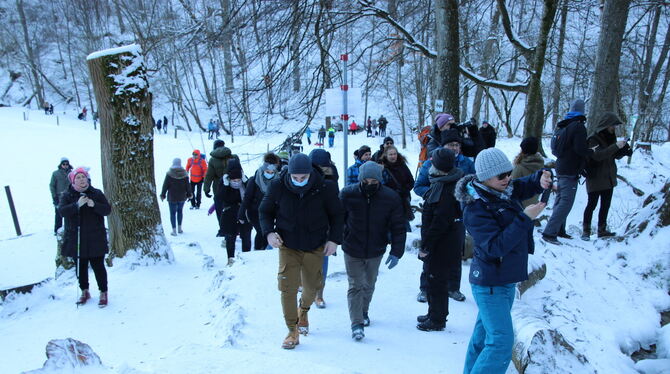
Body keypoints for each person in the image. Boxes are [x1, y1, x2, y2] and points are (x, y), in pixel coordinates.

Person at [455, 148, 551, 374]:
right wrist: (525, 218)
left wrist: (541, 177)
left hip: (505, 279)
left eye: (508, 172)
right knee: (500, 343)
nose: (507, 178)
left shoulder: (501, 190)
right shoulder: (476, 207)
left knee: (483, 338)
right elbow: (494, 247)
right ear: (484, 177)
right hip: (490, 284)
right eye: (501, 175)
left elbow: (523, 184)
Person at [259, 153, 344, 349]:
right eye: (295, 178)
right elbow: (265, 211)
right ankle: (292, 330)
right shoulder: (278, 186)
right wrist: (269, 233)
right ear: (289, 174)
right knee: (287, 288)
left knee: (312, 287)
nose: (299, 181)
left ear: (309, 174)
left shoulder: (325, 187)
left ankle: (303, 311)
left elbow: (337, 215)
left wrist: (334, 240)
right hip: (287, 244)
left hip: (315, 244)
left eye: (302, 178)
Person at [340, 162, 406, 340]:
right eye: (366, 180)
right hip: (352, 247)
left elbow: (398, 226)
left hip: (376, 249)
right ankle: (357, 323)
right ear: (361, 179)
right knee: (355, 285)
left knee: (369, 283)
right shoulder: (348, 194)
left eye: (374, 181)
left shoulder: (390, 197)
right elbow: (337, 219)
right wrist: (334, 240)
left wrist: (396, 251)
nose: (370, 183)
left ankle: (363, 311)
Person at [414, 129, 475, 303]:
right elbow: (418, 186)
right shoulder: (429, 163)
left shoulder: (466, 164)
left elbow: (474, 184)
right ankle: (425, 288)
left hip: (458, 215)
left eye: (457, 145)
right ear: (443, 146)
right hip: (436, 213)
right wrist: (434, 196)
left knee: (456, 252)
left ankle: (453, 287)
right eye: (451, 145)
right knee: (430, 250)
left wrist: (464, 198)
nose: (454, 148)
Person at [416, 148, 465, 331]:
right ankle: (433, 313)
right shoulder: (443, 182)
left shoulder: (446, 188)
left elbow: (439, 222)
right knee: (433, 279)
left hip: (442, 244)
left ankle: (437, 320)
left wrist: (426, 246)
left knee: (437, 281)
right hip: (443, 242)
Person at [542, 99, 594, 245]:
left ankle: (559, 230)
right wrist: (590, 152)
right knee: (566, 201)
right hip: (570, 169)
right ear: (582, 111)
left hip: (561, 167)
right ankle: (549, 232)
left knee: (561, 199)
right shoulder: (578, 127)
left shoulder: (563, 125)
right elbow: (579, 149)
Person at [58, 167, 112, 307]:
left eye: (83, 177)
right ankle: (84, 291)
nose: (82, 180)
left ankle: (103, 292)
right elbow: (62, 212)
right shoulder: (67, 195)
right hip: (77, 239)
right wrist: (76, 205)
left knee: (98, 266)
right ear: (73, 180)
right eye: (78, 178)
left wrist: (94, 205)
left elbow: (107, 210)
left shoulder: (96, 193)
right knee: (80, 268)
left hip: (95, 237)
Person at [581, 112, 632, 240]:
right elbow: (598, 156)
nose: (614, 128)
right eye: (612, 126)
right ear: (605, 125)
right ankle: (585, 231)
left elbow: (612, 155)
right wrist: (615, 146)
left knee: (605, 205)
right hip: (595, 177)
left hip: (608, 177)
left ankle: (602, 230)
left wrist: (623, 151)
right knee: (591, 204)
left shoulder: (611, 137)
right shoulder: (593, 139)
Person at [309, 148, 340, 308]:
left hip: (324, 227)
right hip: (305, 227)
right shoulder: (303, 176)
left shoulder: (331, 179)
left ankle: (319, 295)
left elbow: (335, 208)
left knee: (323, 261)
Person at [238, 153, 281, 250]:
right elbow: (247, 197)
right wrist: (241, 213)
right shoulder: (254, 180)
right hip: (255, 212)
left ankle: (264, 249)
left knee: (267, 231)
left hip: (270, 212)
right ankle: (258, 250)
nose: (269, 174)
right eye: (267, 171)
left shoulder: (278, 181)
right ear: (263, 169)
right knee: (261, 231)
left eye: (272, 172)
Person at [217, 159, 252, 265]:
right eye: (234, 180)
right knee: (230, 238)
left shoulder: (246, 181)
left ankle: (246, 258)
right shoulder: (224, 182)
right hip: (229, 214)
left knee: (246, 237)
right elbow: (220, 197)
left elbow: (251, 195)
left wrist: (246, 182)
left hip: (244, 214)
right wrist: (226, 185)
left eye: (238, 179)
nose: (237, 182)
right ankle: (230, 260)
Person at [378, 145, 415, 229]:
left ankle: (407, 237)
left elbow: (411, 181)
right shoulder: (382, 168)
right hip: (389, 200)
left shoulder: (402, 165)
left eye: (394, 154)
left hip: (403, 198)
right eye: (390, 154)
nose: (393, 156)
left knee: (404, 222)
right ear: (386, 155)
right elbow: (381, 184)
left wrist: (405, 190)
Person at [204, 140, 235, 236]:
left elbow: (209, 175)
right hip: (233, 187)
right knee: (233, 208)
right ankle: (234, 228)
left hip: (218, 188)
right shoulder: (233, 157)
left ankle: (223, 229)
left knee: (219, 209)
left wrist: (206, 188)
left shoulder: (213, 160)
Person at [160, 158, 192, 236]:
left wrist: (163, 195)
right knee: (180, 211)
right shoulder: (184, 174)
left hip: (172, 197)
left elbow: (165, 185)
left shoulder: (169, 174)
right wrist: (189, 194)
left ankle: (174, 230)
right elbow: (188, 186)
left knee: (172, 213)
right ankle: (180, 228)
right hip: (182, 197)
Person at [511, 137, 545, 207]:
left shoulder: (519, 167)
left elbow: (510, 188)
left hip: (520, 206)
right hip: (534, 203)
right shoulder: (540, 164)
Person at [50, 157, 73, 235]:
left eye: (67, 164)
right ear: (61, 164)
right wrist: (54, 197)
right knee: (59, 214)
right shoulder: (55, 173)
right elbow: (52, 186)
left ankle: (69, 229)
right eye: (64, 164)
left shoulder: (72, 173)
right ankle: (57, 231)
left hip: (70, 197)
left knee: (70, 213)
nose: (65, 165)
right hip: (59, 197)